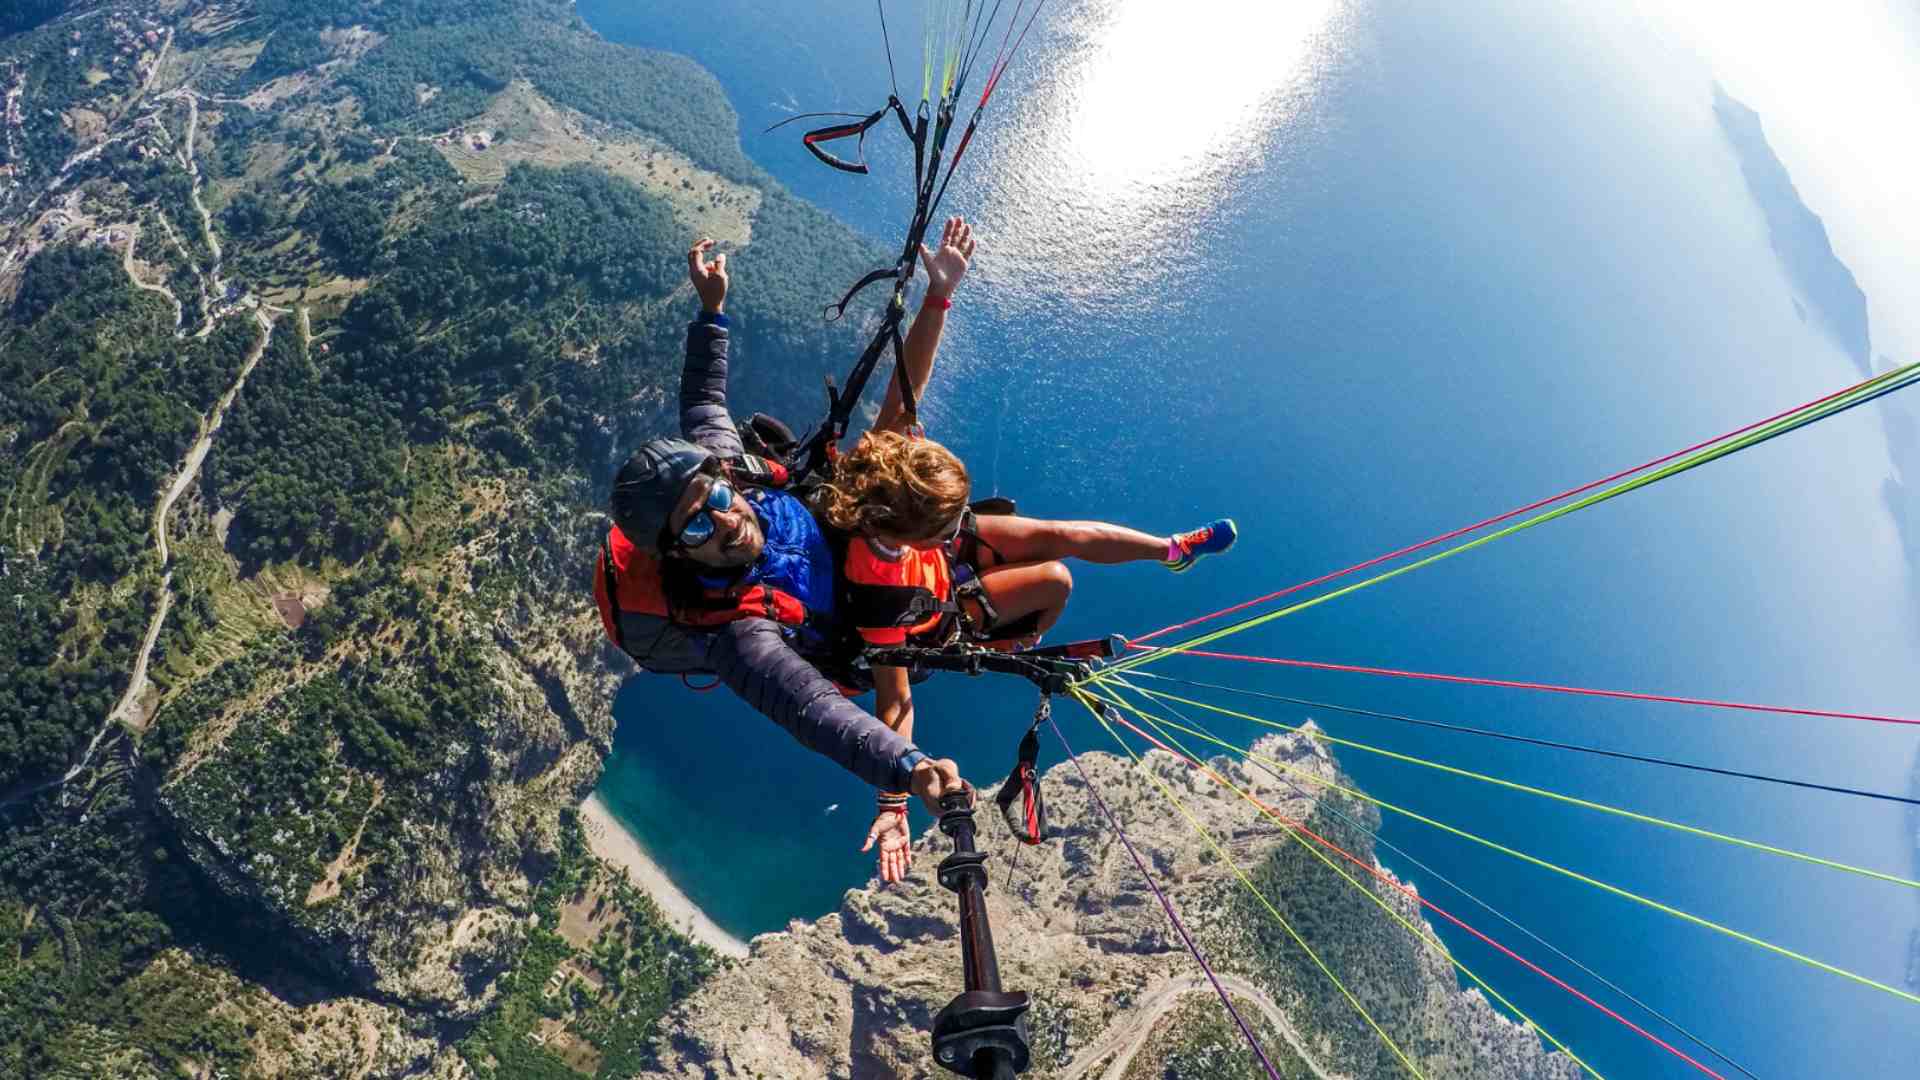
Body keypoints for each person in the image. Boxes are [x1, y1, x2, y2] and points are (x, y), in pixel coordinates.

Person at [595, 223, 978, 881]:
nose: (724, 521)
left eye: (716, 498)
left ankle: (938, 299)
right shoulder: (739, 637)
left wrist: (711, 311)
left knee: (890, 443)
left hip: (823, 541)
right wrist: (910, 772)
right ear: (675, 554)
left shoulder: (728, 471)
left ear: (720, 479)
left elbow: (704, 401)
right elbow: (815, 713)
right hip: (849, 623)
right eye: (695, 530)